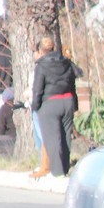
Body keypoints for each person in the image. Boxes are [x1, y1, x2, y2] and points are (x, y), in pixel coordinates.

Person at [31, 36, 78, 178]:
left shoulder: (42, 65)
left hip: (50, 103)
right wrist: (74, 103)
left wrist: (35, 105)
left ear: (41, 50)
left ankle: (57, 173)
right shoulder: (65, 62)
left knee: (53, 139)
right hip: (67, 100)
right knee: (66, 137)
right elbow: (72, 84)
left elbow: (38, 88)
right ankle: (65, 168)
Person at [0, 88, 17, 157]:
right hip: (16, 137)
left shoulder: (4, 108)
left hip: (11, 138)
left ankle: (6, 155)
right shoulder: (22, 106)